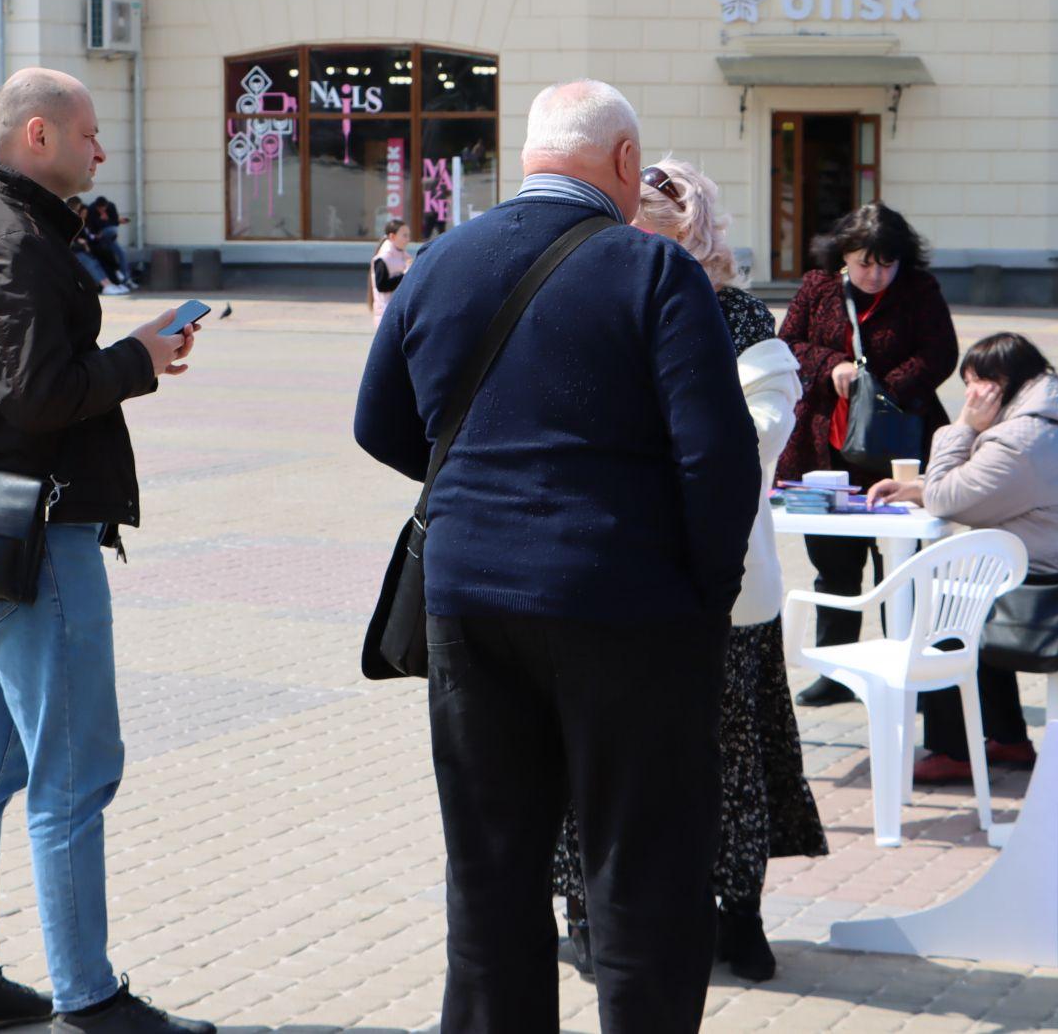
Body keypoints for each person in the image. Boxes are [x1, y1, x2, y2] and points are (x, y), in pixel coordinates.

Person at [354, 82, 760, 1034]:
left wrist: (477, 487)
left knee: (490, 875)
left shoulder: (440, 261)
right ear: (624, 162)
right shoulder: (655, 272)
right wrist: (706, 595)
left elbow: (378, 423)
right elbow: (718, 459)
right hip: (628, 606)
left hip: (469, 605)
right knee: (642, 876)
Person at [0, 67, 213, 1034]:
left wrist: (126, 353)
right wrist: (138, 358)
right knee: (74, 770)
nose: (99, 153)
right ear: (37, 134)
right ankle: (87, 996)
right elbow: (37, 396)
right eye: (88, 137)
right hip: (36, 535)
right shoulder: (12, 241)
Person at [549, 157, 826, 986]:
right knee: (596, 754)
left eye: (662, 227)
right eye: (633, 225)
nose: (642, 241)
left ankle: (736, 918)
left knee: (727, 754)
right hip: (611, 583)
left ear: (697, 233)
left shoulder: (739, 317)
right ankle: (589, 914)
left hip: (720, 588)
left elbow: (756, 441)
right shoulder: (598, 306)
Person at [870, 333, 1058, 781]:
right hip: (1057, 569)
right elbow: (988, 490)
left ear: (1000, 384)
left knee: (945, 609)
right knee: (968, 589)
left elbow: (948, 498)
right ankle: (1008, 738)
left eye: (974, 385)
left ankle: (954, 751)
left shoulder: (1020, 438)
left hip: (1042, 586)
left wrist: (962, 426)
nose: (969, 396)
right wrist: (917, 488)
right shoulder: (1050, 419)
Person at [779, 202, 958, 707]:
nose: (875, 274)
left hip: (900, 442)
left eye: (886, 263)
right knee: (832, 560)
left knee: (904, 561)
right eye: (864, 263)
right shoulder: (818, 287)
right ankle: (836, 668)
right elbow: (787, 343)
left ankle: (908, 664)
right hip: (825, 445)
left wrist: (881, 393)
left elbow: (940, 352)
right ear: (843, 257)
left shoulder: (920, 290)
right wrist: (832, 364)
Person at [68, 198, 130, 296]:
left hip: (83, 250)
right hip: (74, 252)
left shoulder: (84, 224)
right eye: (81, 211)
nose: (84, 215)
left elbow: (88, 237)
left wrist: (87, 242)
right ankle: (106, 285)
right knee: (90, 262)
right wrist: (81, 243)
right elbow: (70, 240)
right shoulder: (70, 222)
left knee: (101, 258)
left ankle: (110, 284)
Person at [86, 195, 135, 287]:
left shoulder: (111, 206)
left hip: (109, 237)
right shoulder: (92, 209)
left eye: (103, 209)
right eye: (99, 209)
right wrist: (101, 221)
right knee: (109, 255)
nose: (101, 211)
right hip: (98, 239)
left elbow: (115, 222)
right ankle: (115, 279)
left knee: (121, 253)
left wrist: (106, 220)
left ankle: (126, 279)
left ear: (106, 206)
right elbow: (92, 225)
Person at [368, 219, 410, 324]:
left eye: (408, 235)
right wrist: (405, 275)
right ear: (392, 237)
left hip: (398, 312)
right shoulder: (383, 258)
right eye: (404, 235)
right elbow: (382, 286)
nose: (408, 239)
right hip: (386, 314)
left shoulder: (405, 256)